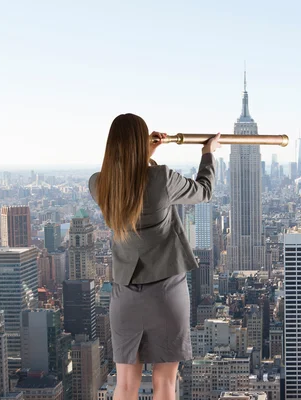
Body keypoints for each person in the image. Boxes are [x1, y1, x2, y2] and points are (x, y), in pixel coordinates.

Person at [88, 113, 220, 400]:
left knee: (124, 384)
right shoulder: (160, 177)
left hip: (125, 294)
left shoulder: (99, 184)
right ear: (141, 142)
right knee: (165, 383)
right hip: (167, 289)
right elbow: (204, 191)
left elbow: (129, 181)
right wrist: (207, 153)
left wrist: (143, 155)